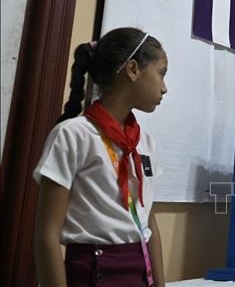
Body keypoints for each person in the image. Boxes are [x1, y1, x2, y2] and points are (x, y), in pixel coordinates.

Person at [34, 28, 168, 287]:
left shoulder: (145, 143)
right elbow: (47, 235)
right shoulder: (73, 135)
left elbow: (148, 220)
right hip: (93, 273)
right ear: (132, 69)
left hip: (140, 274)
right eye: (161, 73)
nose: (164, 88)